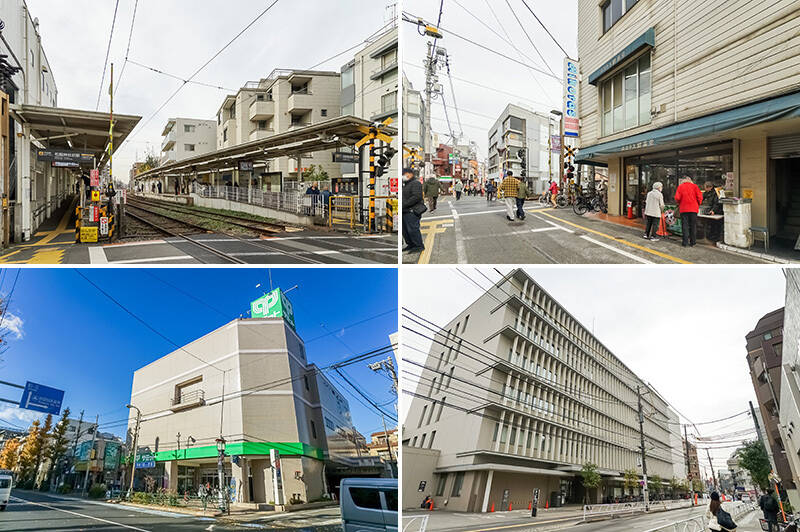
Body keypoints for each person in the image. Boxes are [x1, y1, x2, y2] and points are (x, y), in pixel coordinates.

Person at [674, 176, 703, 247]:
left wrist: (680, 203)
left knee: (685, 226)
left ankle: (685, 242)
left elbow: (677, 198)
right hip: (693, 209)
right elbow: (700, 197)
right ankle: (693, 242)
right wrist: (697, 204)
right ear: (690, 181)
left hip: (684, 209)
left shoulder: (680, 187)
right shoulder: (695, 186)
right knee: (693, 226)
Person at [402, 168, 425, 253]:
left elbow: (417, 197)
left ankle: (419, 246)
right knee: (405, 230)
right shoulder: (405, 184)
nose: (403, 176)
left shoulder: (415, 183)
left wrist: (404, 204)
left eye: (404, 174)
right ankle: (411, 244)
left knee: (413, 229)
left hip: (412, 211)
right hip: (404, 211)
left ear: (410, 174)